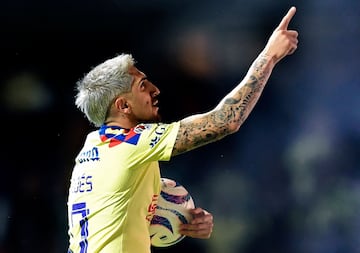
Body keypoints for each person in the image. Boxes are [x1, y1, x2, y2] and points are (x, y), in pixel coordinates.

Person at [67, 6, 298, 253]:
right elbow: (225, 120)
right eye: (143, 86)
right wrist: (269, 56)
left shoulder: (93, 148)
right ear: (123, 105)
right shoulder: (131, 144)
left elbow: (122, 208)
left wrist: (181, 217)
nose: (155, 89)